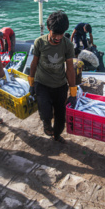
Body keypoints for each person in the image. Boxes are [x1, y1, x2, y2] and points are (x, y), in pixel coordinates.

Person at [29, 10, 76, 143]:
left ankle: (57, 134)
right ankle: (46, 124)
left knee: (61, 117)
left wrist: (73, 92)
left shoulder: (68, 45)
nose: (58, 38)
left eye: (61, 35)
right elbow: (34, 63)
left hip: (60, 86)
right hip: (42, 84)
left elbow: (70, 69)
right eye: (55, 34)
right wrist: (31, 83)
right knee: (45, 112)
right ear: (48, 28)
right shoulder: (39, 42)